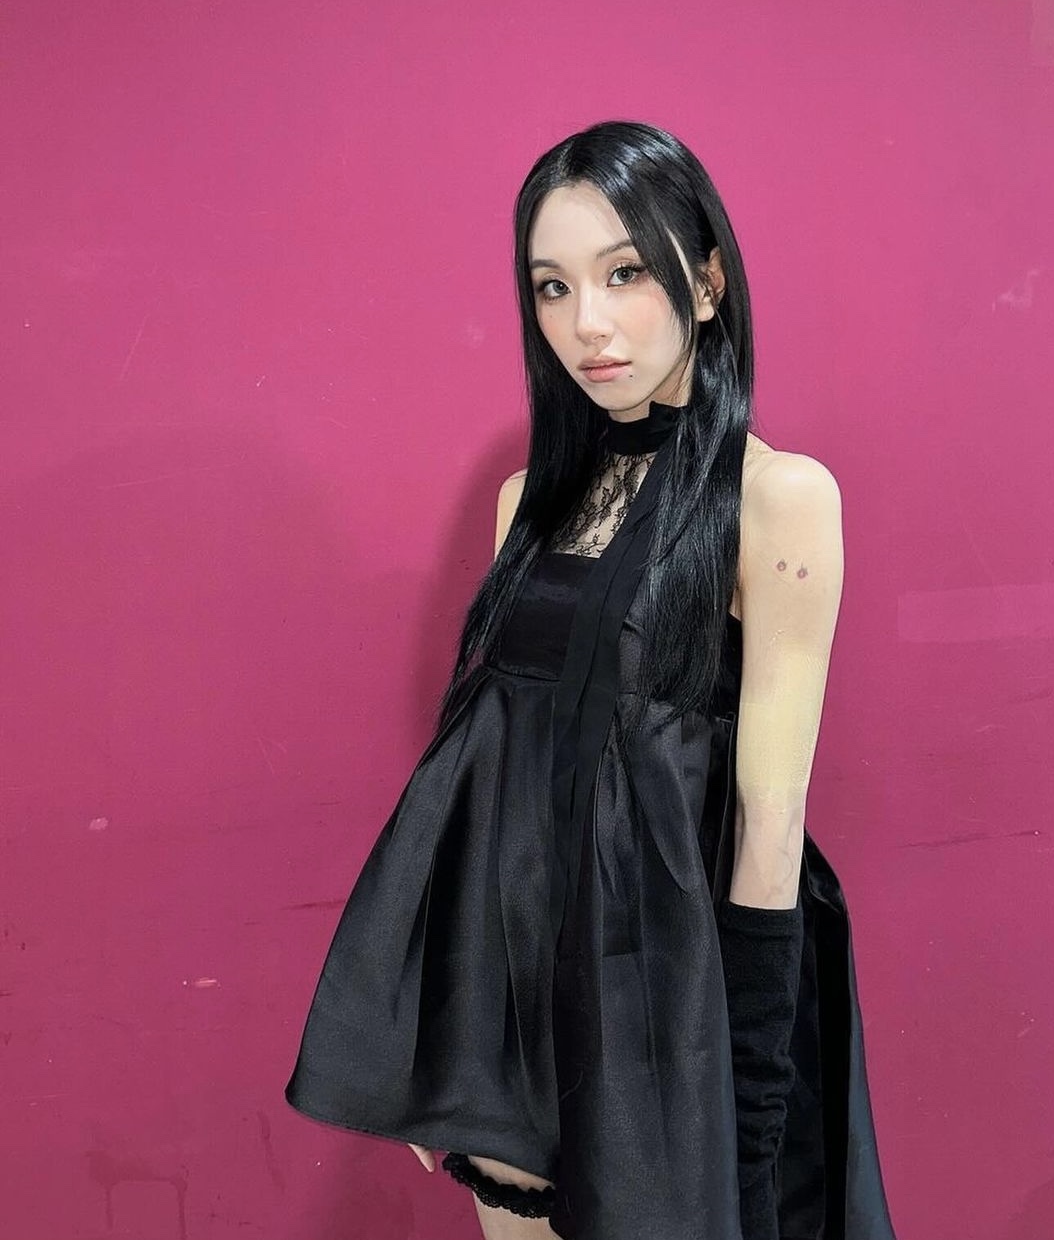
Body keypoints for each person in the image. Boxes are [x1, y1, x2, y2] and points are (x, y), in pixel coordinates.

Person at [285, 120, 897, 1240]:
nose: (588, 325)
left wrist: (750, 1103)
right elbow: (487, 782)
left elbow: (769, 823)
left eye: (624, 273)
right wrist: (447, 1040)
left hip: (672, 1006)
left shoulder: (779, 500)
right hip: (520, 1003)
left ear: (705, 281)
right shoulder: (527, 502)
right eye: (553, 288)